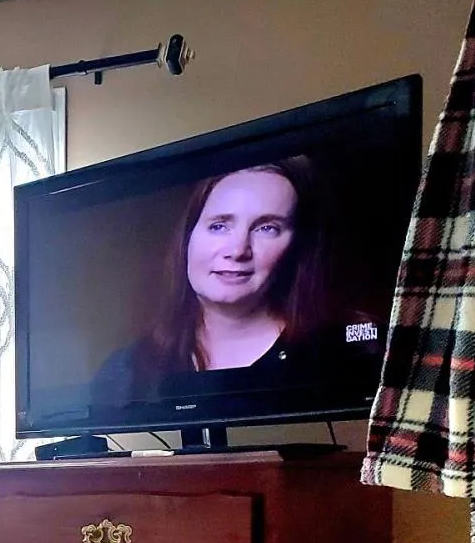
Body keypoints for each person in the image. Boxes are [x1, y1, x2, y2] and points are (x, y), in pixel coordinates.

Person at [92, 157, 363, 402]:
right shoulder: (126, 370)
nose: (237, 250)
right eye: (219, 226)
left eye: (267, 228)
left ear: (297, 245)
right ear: (188, 238)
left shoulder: (342, 354)